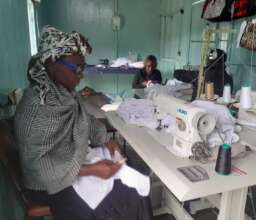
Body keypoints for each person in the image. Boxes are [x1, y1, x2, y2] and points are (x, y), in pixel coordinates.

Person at [14, 26, 152, 220]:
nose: (81, 75)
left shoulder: (64, 92)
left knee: (133, 174)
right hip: (47, 187)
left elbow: (85, 120)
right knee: (126, 195)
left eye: (83, 68)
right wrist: (91, 170)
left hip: (67, 167)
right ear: (53, 63)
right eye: (76, 69)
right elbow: (40, 166)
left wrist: (106, 141)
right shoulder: (37, 106)